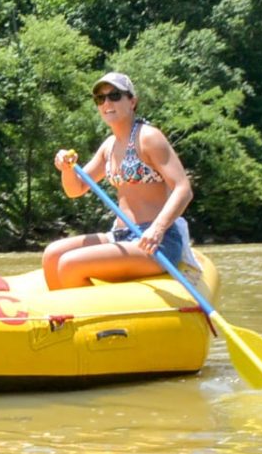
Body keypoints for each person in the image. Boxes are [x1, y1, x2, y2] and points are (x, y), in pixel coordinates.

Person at [42, 72, 194, 290]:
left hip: (156, 240)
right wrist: (66, 169)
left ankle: (84, 319)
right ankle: (63, 318)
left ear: (132, 101)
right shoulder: (109, 146)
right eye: (100, 99)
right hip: (120, 235)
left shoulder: (149, 137)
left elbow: (183, 188)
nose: (107, 103)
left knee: (69, 264)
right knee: (52, 255)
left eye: (114, 96)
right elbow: (75, 189)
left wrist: (157, 229)